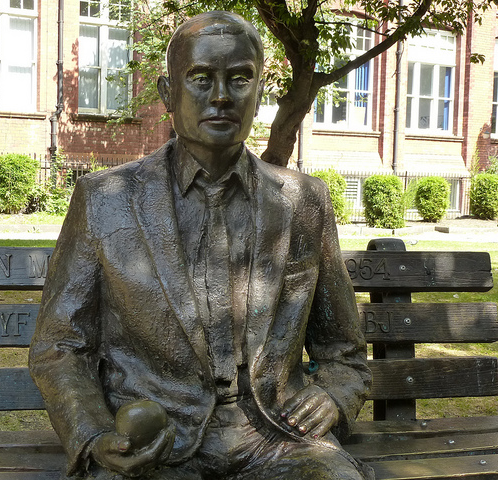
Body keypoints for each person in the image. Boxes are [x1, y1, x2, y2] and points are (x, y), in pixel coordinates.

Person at [30, 11, 372, 480]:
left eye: (239, 79)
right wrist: (93, 434)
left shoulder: (303, 202)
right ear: (168, 93)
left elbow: (344, 352)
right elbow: (60, 346)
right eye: (200, 78)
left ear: (257, 94)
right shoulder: (105, 200)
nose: (220, 97)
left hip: (275, 436)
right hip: (159, 443)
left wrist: (333, 394)